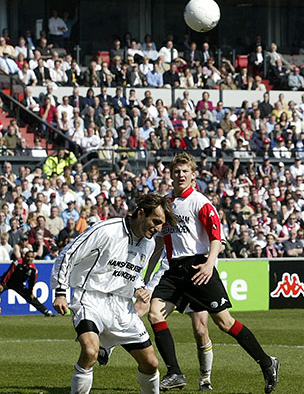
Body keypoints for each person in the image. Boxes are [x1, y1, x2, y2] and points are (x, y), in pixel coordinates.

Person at [147, 153, 280, 392]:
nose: (180, 175)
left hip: (198, 267)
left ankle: (266, 361)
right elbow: (158, 243)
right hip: (175, 270)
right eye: (176, 171)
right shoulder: (165, 205)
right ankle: (175, 371)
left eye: (184, 171)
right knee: (155, 313)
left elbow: (216, 238)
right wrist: (145, 277)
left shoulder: (200, 202)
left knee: (224, 323)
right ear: (170, 174)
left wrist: (209, 264)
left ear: (193, 176)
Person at [50, 193, 178, 394]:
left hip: (122, 307)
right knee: (90, 351)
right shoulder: (107, 230)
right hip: (90, 298)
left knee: (151, 364)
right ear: (141, 213)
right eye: (156, 221)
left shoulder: (149, 242)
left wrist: (139, 287)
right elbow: (68, 254)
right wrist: (60, 291)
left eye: (162, 224)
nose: (159, 228)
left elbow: (131, 270)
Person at [0, 250, 55, 316]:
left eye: (31, 257)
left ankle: (46, 311)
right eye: (28, 257)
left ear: (33, 258)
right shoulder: (18, 262)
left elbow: (32, 282)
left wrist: (30, 292)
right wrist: (2, 284)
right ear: (24, 256)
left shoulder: (33, 270)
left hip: (18, 285)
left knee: (30, 297)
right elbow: (9, 273)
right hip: (7, 282)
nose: (29, 258)